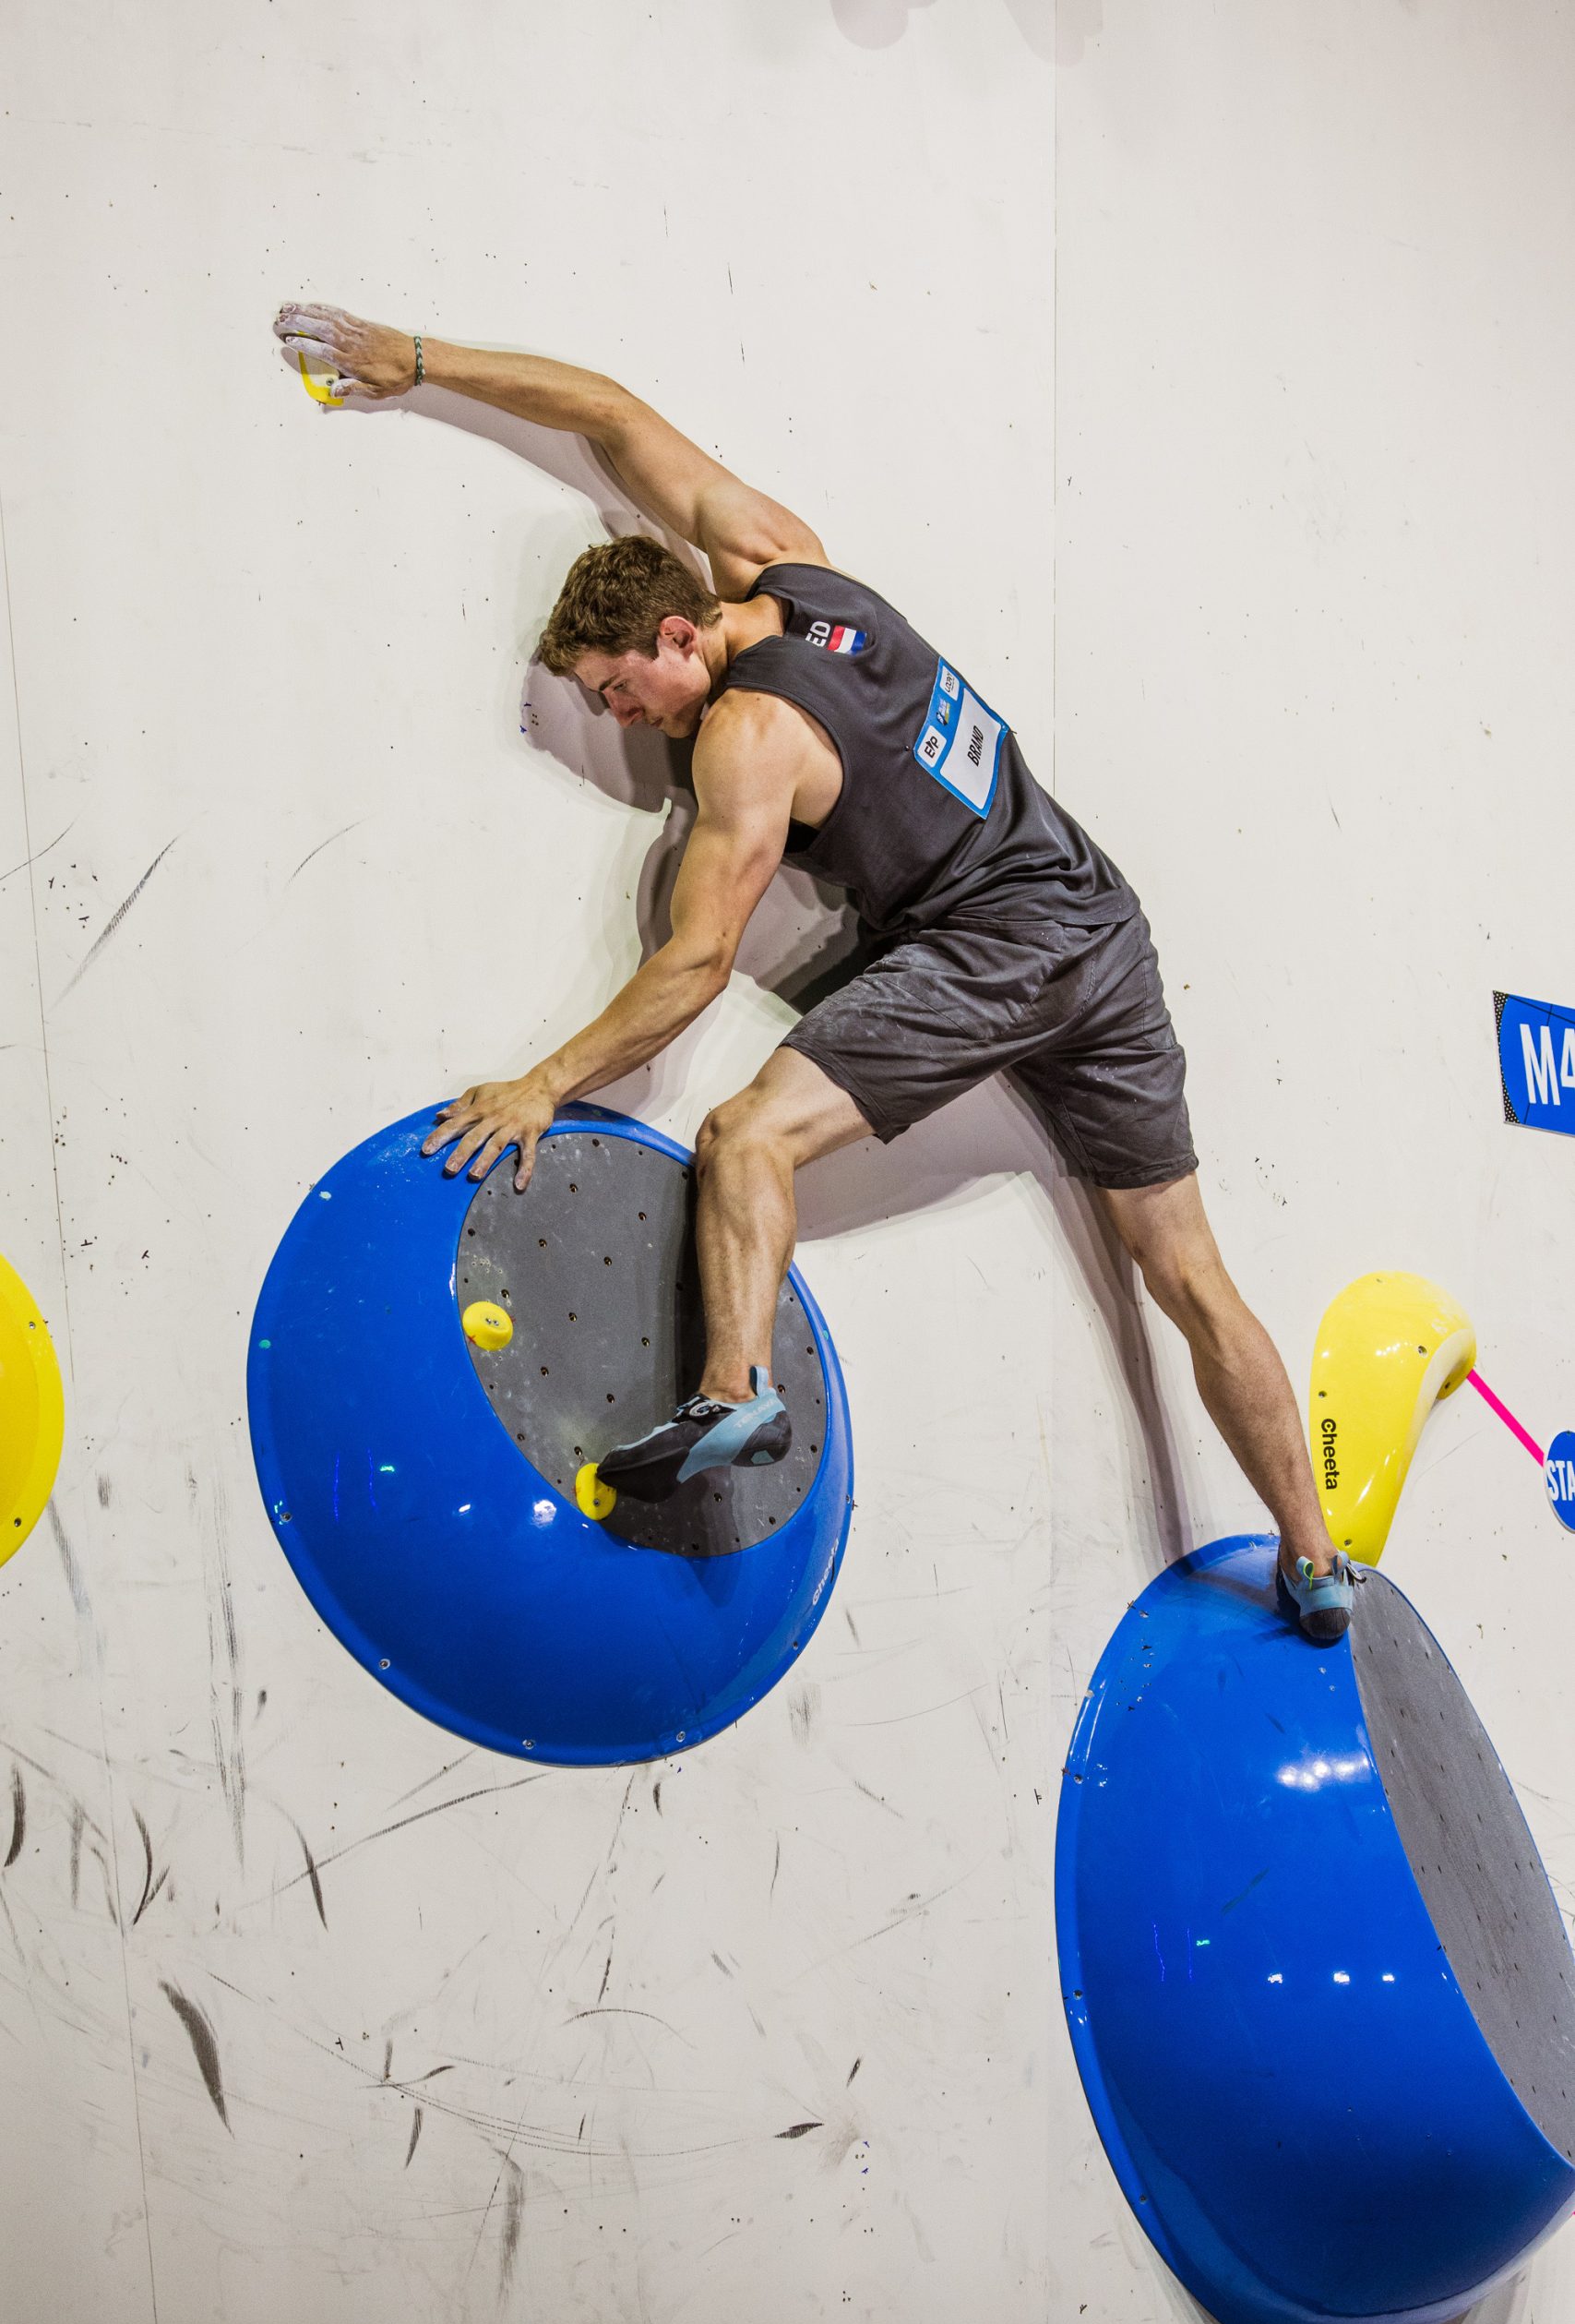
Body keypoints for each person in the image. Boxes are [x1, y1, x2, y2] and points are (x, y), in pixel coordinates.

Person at [271, 302, 1365, 1643]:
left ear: (679, 636)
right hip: (1102, 923)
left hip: (993, 948)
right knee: (1190, 1275)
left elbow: (696, 965)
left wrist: (544, 1082)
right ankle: (1314, 1561)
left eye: (620, 693)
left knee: (744, 1141)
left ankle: (732, 1391)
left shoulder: (747, 740)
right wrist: (426, 366)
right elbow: (612, 413)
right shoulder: (795, 567)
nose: (622, 724)